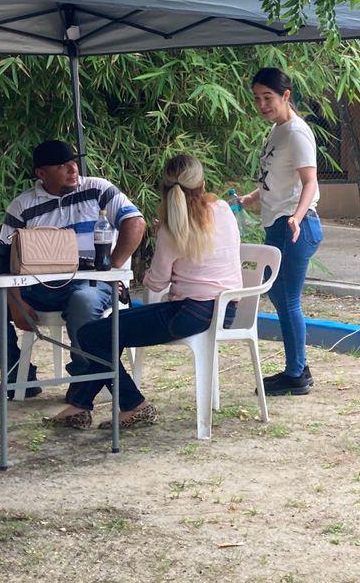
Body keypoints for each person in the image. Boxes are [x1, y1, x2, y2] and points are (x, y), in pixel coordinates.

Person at [48, 154, 244, 430]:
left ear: (164, 188)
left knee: (92, 334)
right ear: (202, 183)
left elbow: (156, 283)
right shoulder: (223, 210)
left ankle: (133, 405)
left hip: (189, 313)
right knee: (107, 333)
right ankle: (80, 406)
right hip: (225, 311)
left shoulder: (171, 228)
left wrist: (160, 241)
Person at [0, 139, 145, 402]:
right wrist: (15, 299)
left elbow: (135, 222)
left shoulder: (98, 189)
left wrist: (112, 267)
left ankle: (82, 380)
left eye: (73, 162)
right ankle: (18, 375)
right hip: (36, 285)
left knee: (84, 302)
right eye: (62, 165)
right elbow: (5, 257)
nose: (73, 168)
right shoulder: (22, 206)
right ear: (41, 174)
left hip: (90, 281)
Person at [240, 67, 323, 397]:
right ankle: (298, 365)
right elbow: (276, 180)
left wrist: (297, 217)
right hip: (276, 223)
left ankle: (296, 374)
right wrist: (253, 197)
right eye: (257, 99)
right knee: (279, 296)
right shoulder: (277, 130)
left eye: (268, 98)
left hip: (294, 226)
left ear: (286, 96)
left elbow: (310, 181)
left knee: (287, 299)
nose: (262, 104)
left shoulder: (296, 132)